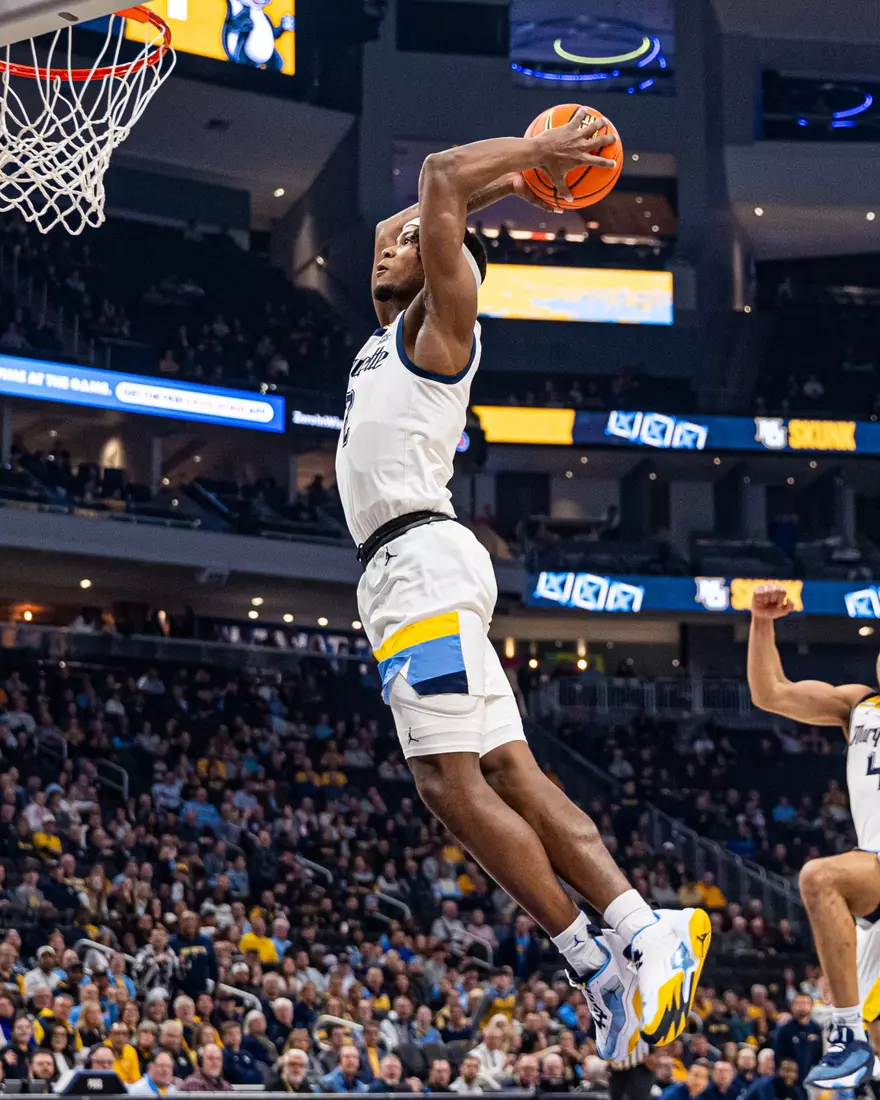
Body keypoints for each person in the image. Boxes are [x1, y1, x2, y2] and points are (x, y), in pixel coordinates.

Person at [334, 105, 710, 1059]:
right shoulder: (385, 334)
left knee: (449, 784)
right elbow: (421, 207)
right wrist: (522, 178)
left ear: (449, 263)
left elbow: (439, 178)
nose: (392, 243)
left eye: (416, 238)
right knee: (506, 773)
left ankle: (610, 948)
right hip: (410, 571)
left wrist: (538, 158)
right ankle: (629, 938)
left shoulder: (441, 327)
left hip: (417, 563)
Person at [747, 584, 880, 1088]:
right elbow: (771, 692)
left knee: (820, 876)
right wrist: (762, 622)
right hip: (875, 868)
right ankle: (853, 1036)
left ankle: (846, 1032)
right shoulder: (858, 706)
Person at [771, 994, 822, 1083]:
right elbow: (779, 1057)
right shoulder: (785, 1029)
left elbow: (819, 1055)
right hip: (790, 1079)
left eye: (805, 1003)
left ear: (811, 1006)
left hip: (811, 1078)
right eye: (798, 1003)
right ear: (792, 1006)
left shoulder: (815, 1028)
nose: (802, 1006)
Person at [740, 1059, 805, 1100]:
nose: (792, 1075)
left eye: (795, 1072)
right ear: (779, 1070)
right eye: (787, 1071)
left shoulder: (795, 1089)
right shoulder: (765, 1084)